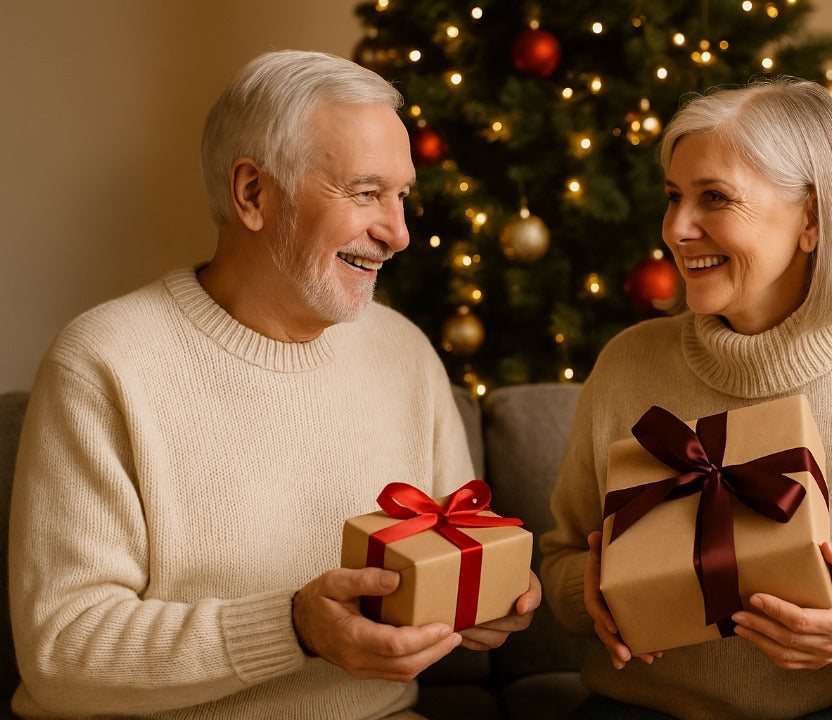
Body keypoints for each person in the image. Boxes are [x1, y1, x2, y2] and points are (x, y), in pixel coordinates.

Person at [8, 50, 539, 719]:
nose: (399, 233)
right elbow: (63, 651)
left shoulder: (404, 351)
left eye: (401, 196)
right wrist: (294, 628)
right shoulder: (103, 363)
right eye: (365, 192)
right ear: (252, 193)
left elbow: (457, 550)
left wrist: (491, 601)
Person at [539, 78, 832, 720]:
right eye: (674, 197)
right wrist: (591, 589)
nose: (677, 229)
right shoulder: (628, 364)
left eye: (715, 198)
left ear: (812, 220)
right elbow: (562, 560)